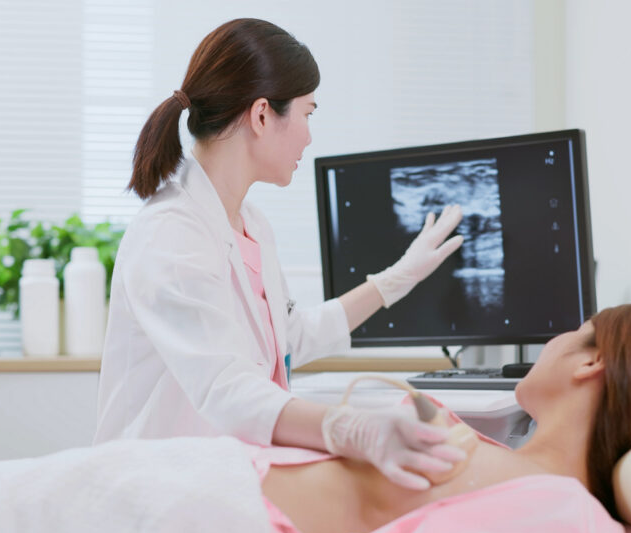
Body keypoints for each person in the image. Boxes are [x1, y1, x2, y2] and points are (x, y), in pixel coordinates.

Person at [93, 17, 467, 490]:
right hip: (158, 491)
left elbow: (287, 338)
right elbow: (224, 387)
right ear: (263, 114)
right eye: (308, 114)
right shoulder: (170, 234)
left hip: (231, 479)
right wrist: (348, 428)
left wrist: (394, 280)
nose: (309, 136)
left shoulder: (251, 225)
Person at [254, 303, 631, 533]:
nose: (556, 340)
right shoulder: (506, 461)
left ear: (591, 362)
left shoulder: (565, 513)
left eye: (577, 330)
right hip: (208, 478)